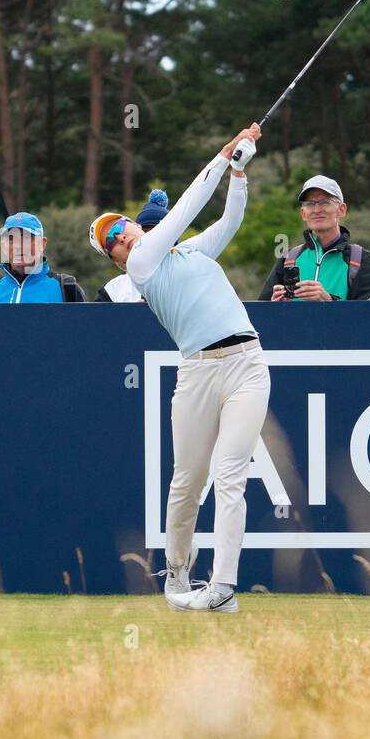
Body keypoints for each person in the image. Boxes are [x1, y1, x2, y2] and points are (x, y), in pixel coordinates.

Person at [88, 123, 266, 612]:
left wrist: (238, 171)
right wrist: (223, 151)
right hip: (197, 372)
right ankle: (177, 574)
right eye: (115, 242)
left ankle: (224, 588)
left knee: (231, 475)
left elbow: (229, 223)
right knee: (188, 480)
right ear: (117, 258)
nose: (125, 238)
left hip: (247, 363)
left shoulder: (189, 252)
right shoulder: (143, 266)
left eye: (124, 229)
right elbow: (187, 205)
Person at [258, 175, 370, 301]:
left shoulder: (362, 260)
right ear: (303, 213)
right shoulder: (287, 259)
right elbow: (258, 317)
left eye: (324, 202)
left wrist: (328, 302)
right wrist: (275, 308)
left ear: (341, 210)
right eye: (310, 204)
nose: (316, 210)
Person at [0, 212, 86, 303]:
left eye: (26, 238)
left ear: (42, 243)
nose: (18, 245)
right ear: (3, 245)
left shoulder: (67, 289)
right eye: (11, 239)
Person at [97, 190, 170, 303]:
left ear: (136, 225)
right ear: (115, 260)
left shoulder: (190, 260)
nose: (120, 238)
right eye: (110, 242)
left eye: (119, 226)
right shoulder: (111, 292)